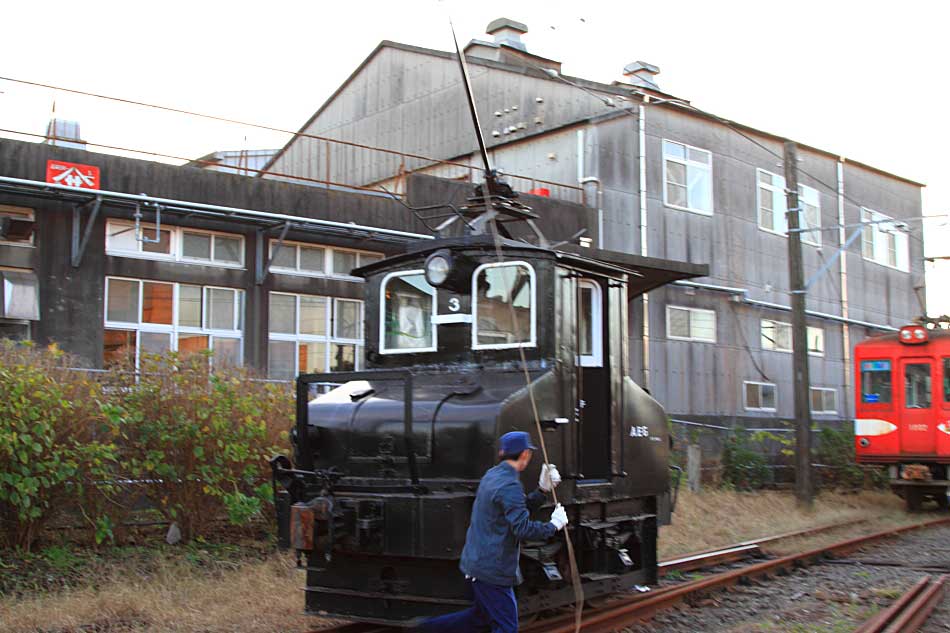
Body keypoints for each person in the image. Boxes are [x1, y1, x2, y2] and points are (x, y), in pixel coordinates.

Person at [417, 431, 567, 633]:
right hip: (492, 570)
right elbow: (522, 528)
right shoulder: (510, 484)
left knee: (479, 618)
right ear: (524, 455)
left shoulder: (493, 475)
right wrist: (553, 525)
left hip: (477, 563)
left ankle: (426, 629)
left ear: (502, 454)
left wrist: (542, 491)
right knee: (507, 627)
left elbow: (513, 511)